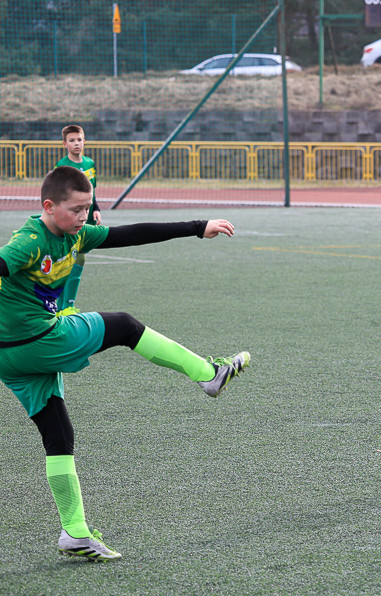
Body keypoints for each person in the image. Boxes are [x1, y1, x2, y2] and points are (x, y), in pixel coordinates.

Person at [0, 166, 251, 562]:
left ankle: (74, 531)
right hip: (35, 341)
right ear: (48, 206)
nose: (84, 216)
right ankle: (208, 373)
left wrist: (197, 226)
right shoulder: (30, 240)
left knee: (58, 433)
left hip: (13, 358)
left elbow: (132, 233)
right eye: (76, 209)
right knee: (124, 325)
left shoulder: (77, 234)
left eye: (87, 208)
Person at [54, 124, 100, 313]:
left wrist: (96, 209)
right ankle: (64, 306)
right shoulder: (61, 166)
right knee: (71, 258)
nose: (76, 143)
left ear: (84, 141)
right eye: (72, 140)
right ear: (65, 143)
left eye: (79, 139)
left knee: (79, 257)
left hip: (85, 216)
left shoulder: (89, 163)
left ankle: (65, 306)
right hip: (69, 217)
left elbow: (92, 190)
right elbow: (57, 194)